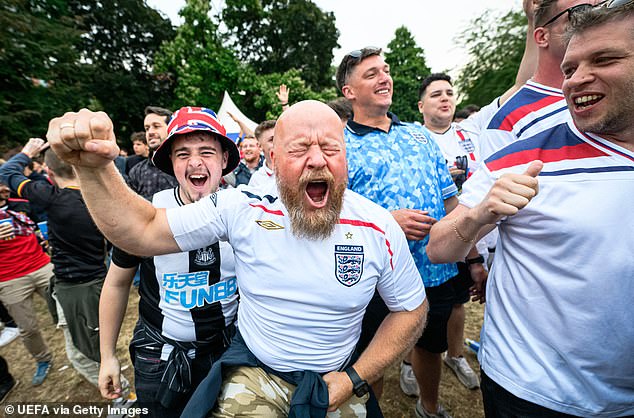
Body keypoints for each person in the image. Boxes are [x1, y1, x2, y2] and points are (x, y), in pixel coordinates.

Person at [46, 100, 428, 418]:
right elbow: (141, 231)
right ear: (273, 160)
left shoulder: (378, 227)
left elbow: (411, 309)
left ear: (346, 156)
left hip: (336, 379)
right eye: (299, 149)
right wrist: (94, 168)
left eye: (330, 148)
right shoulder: (242, 208)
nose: (316, 161)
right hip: (253, 374)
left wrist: (355, 378)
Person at [427, 2, 634, 416]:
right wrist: (478, 215)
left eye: (605, 59)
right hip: (531, 390)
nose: (577, 79)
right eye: (571, 69)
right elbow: (438, 246)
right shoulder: (520, 155)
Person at [336, 46, 468, 418]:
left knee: (431, 346)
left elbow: (451, 202)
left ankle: (428, 406)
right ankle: (370, 413)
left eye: (386, 70)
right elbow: (328, 216)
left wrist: (470, 255)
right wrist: (386, 222)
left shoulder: (420, 136)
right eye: (371, 74)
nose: (384, 78)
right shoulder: (339, 146)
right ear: (349, 92)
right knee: (371, 359)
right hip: (374, 275)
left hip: (434, 268)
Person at [99, 107, 241, 417]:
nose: (195, 162)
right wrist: (107, 355)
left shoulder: (246, 211)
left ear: (224, 160)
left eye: (207, 151)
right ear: (171, 164)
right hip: (160, 355)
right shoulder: (151, 214)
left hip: (226, 351)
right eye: (182, 154)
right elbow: (117, 281)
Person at [0, 138, 117, 390]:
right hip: (96, 280)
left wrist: (26, 153)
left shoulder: (52, 198)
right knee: (95, 343)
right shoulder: (101, 196)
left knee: (84, 353)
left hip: (78, 288)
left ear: (49, 172)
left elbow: (6, 172)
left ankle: (122, 396)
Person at [0, 196, 53, 386]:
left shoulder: (20, 203)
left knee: (70, 311)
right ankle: (43, 359)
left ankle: (84, 349)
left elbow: (40, 225)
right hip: (9, 278)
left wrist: (45, 237)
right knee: (28, 328)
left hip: (41, 266)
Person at [127, 106, 178, 200]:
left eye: (156, 126)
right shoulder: (137, 171)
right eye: (147, 128)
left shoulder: (183, 167)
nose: (150, 132)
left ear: (171, 129)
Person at [247, 120, 276, 188]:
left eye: (279, 138)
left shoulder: (296, 167)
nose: (277, 142)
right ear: (259, 146)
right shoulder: (256, 180)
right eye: (271, 140)